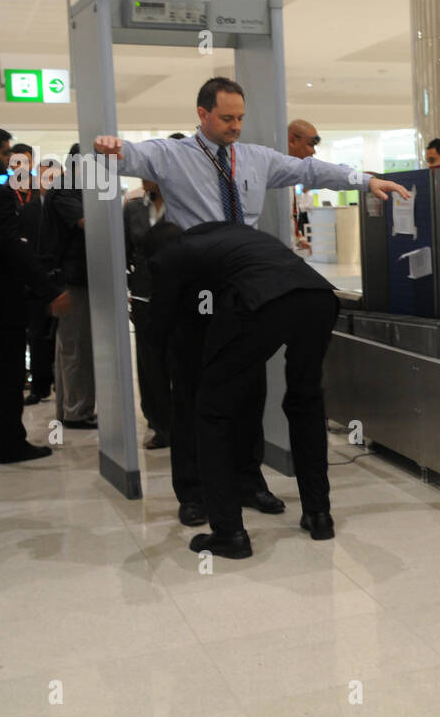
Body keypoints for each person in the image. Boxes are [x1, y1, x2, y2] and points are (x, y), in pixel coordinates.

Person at [93, 76, 409, 526]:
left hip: (247, 291)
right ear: (203, 114)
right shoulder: (174, 155)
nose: (235, 126)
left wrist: (366, 180)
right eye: (226, 118)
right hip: (198, 286)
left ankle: (248, 480)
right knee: (193, 390)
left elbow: (310, 171)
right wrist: (111, 145)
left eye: (240, 117)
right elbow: (130, 153)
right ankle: (195, 491)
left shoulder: (256, 158)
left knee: (248, 389)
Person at [143, 220, 342, 556]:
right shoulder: (226, 234)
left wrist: (161, 413)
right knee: (305, 400)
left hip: (263, 301)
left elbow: (154, 338)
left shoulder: (170, 255)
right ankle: (319, 515)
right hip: (318, 296)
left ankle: (229, 533)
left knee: (211, 412)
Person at [0, 126, 70, 463]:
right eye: (6, 153)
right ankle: (11, 443)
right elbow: (12, 248)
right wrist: (49, 290)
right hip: (1, 299)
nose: (10, 161)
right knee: (7, 377)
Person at [41, 143, 96, 430]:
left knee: (70, 346)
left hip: (71, 278)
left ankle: (68, 409)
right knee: (77, 347)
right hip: (72, 280)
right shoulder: (67, 190)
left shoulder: (68, 188)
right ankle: (77, 411)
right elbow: (88, 224)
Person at [124, 178, 171, 448]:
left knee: (179, 359)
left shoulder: (185, 202)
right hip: (143, 292)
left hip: (180, 293)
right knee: (149, 362)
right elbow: (125, 251)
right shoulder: (133, 209)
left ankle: (185, 421)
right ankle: (159, 422)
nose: (143, 178)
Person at [16, 146, 55, 405]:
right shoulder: (28, 209)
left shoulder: (66, 207)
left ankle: (57, 382)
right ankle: (40, 386)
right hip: (34, 283)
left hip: (60, 281)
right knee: (38, 336)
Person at [287, 119, 319, 251]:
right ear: (292, 141)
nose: (313, 151)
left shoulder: (291, 176)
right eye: (310, 145)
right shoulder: (276, 175)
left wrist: (298, 237)